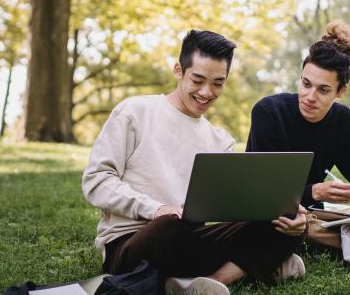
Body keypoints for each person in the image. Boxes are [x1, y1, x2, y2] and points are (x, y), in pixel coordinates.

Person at [82, 29, 307, 295]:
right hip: (134, 243)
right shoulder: (134, 112)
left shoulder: (220, 140)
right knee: (169, 227)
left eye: (218, 83)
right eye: (198, 79)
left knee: (285, 218)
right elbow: (96, 181)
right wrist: (156, 209)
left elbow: (231, 209)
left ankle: (212, 280)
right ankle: (258, 264)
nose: (206, 92)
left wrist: (284, 216)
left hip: (190, 239)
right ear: (179, 70)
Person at [246, 20, 350, 217]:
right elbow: (262, 194)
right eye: (306, 84)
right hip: (267, 215)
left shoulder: (345, 123)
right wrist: (315, 192)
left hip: (309, 214)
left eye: (323, 90)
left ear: (341, 91)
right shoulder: (269, 112)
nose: (310, 97)